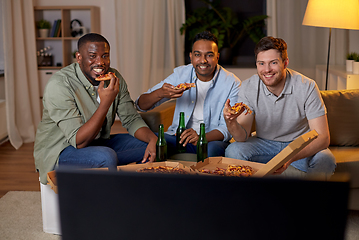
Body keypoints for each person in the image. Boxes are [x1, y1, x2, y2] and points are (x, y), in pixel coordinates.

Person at [34, 33, 157, 184]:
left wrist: (153, 139)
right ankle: (109, 204)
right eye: (92, 56)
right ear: (79, 57)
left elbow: (131, 119)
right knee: (105, 157)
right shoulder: (60, 84)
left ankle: (138, 194)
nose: (100, 62)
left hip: (98, 143)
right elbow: (79, 142)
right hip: (60, 152)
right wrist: (105, 103)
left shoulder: (114, 77)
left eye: (105, 56)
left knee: (156, 143)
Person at [223, 36, 336, 176]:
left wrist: (289, 158)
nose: (267, 69)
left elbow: (323, 137)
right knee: (233, 150)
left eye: (273, 63)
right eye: (261, 63)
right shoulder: (248, 87)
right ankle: (251, 196)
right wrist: (230, 122)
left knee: (326, 159)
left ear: (285, 63)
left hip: (298, 145)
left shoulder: (307, 86)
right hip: (264, 144)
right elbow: (242, 137)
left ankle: (309, 197)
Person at [135, 31, 241, 158]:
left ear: (217, 57)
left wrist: (201, 136)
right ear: (191, 57)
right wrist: (160, 93)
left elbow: (228, 128)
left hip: (210, 141)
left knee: (213, 151)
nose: (203, 60)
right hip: (177, 138)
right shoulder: (181, 75)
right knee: (149, 142)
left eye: (209, 55)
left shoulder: (232, 83)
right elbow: (140, 105)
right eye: (198, 55)